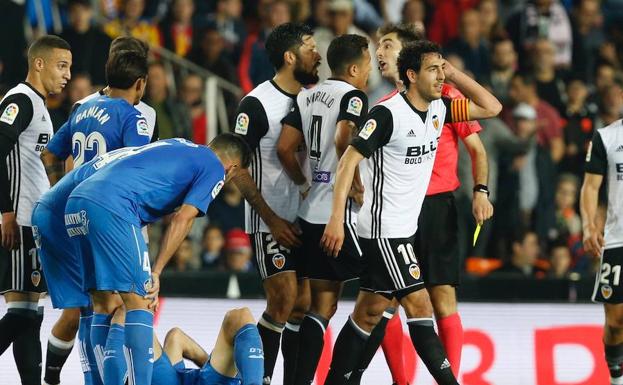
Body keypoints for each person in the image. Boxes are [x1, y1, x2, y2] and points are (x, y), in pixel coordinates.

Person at [320, 40, 501, 385]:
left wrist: (452, 72)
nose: (440, 76)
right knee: (420, 307)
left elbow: (491, 107)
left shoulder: (440, 109)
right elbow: (347, 161)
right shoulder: (387, 114)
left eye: (441, 68)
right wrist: (335, 218)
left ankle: (336, 381)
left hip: (404, 228)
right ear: (411, 75)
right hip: (383, 230)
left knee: (369, 313)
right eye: (433, 70)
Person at [63, 134, 250, 385]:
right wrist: (158, 270)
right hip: (114, 206)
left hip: (77, 200)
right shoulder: (215, 167)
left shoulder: (179, 144)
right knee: (141, 302)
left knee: (101, 304)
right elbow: (184, 218)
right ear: (233, 168)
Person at [39, 38, 156, 385]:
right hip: (112, 218)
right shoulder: (135, 115)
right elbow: (137, 169)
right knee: (128, 304)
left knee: (92, 306)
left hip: (73, 214)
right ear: (140, 82)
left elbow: (53, 152)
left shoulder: (81, 107)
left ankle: (86, 378)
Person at [276, 33, 371, 385]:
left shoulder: (306, 96)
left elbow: (285, 148)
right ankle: (344, 377)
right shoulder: (354, 96)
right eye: (367, 67)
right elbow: (344, 137)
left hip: (309, 212)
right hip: (337, 213)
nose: (369, 75)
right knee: (384, 290)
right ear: (353, 68)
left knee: (321, 307)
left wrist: (305, 184)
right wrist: (355, 177)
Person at [232, 22, 320, 385]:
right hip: (271, 219)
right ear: (290, 57)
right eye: (310, 48)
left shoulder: (316, 99)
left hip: (305, 217)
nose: (317, 54)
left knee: (303, 306)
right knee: (283, 300)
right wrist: (269, 218)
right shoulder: (255, 104)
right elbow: (234, 166)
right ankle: (259, 379)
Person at [0, 35, 71, 385]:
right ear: (38, 64)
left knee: (27, 312)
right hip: (19, 220)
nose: (68, 75)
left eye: (70, 67)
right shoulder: (20, 100)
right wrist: (6, 213)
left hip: (31, 220)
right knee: (24, 317)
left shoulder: (39, 104)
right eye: (62, 65)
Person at [580, 105, 623, 385]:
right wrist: (589, 226)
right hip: (617, 239)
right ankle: (616, 379)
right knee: (616, 322)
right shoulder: (606, 137)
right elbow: (590, 187)